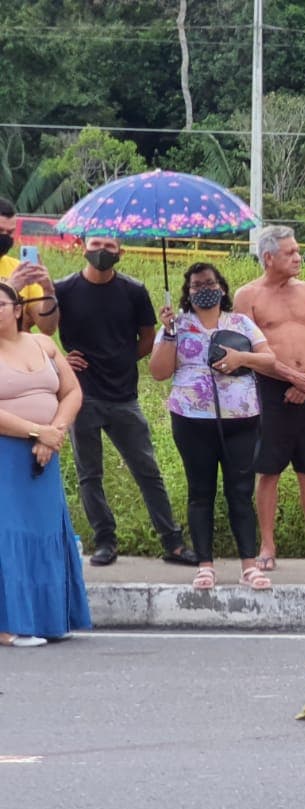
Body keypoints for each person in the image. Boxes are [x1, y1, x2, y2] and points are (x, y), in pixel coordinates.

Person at [38, 235, 197, 567]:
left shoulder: (134, 290)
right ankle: (105, 541)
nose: (102, 252)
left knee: (147, 471)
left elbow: (148, 338)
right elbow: (44, 332)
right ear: (83, 246)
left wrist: (124, 359)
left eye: (110, 247)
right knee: (89, 474)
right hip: (80, 396)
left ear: (121, 252)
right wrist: (63, 363)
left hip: (124, 396)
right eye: (97, 244)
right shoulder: (63, 289)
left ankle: (173, 542)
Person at [150, 263, 277, 592]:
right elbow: (159, 372)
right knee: (200, 492)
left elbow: (269, 360)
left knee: (240, 492)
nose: (203, 289)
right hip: (192, 421)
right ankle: (204, 565)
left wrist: (240, 359)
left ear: (221, 287)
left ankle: (249, 565)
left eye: (209, 283)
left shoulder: (241, 323)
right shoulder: (177, 323)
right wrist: (168, 332)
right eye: (195, 285)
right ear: (187, 292)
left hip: (241, 419)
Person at [233, 226, 305, 571]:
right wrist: (291, 376)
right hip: (268, 391)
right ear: (269, 257)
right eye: (290, 252)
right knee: (267, 470)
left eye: (299, 251)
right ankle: (267, 547)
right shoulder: (247, 296)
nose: (298, 257)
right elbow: (248, 352)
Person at [0, 282, 90, 647]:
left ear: (18, 309)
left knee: (45, 530)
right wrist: (37, 431)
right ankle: (8, 625)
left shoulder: (43, 344)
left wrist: (54, 432)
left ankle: (48, 618)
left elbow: (71, 393)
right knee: (9, 534)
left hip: (44, 452)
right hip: (7, 452)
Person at [0, 196, 57, 332]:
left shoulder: (20, 269)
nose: (5, 236)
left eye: (10, 232)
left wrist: (48, 291)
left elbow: (48, 328)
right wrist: (10, 288)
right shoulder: (17, 277)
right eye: (0, 230)